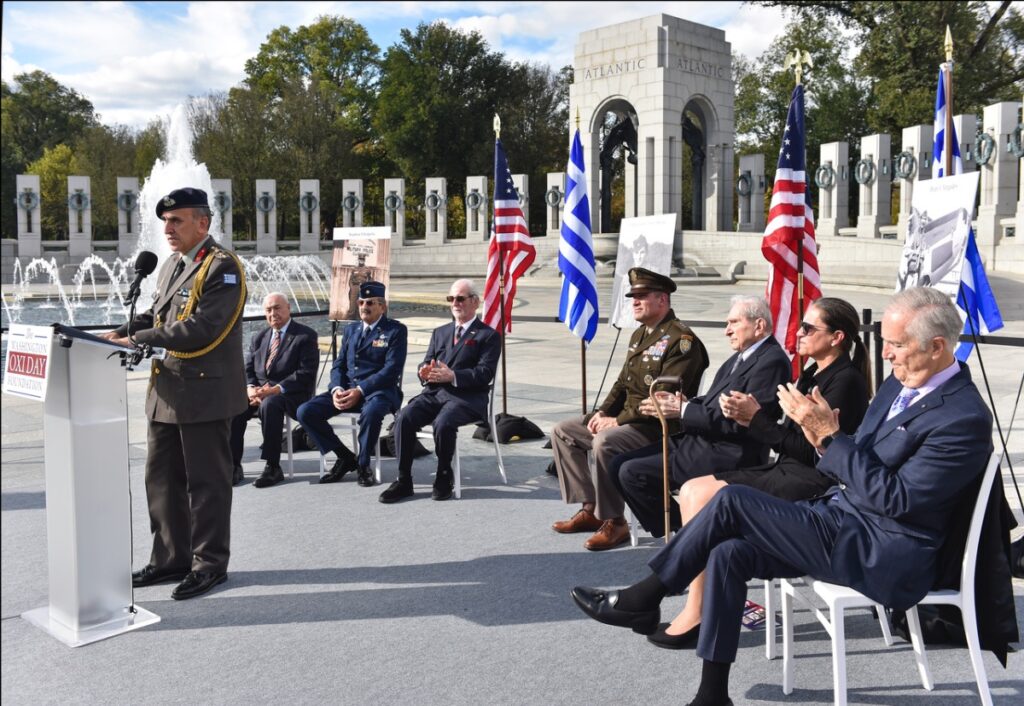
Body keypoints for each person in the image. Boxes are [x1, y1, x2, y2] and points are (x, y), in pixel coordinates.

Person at [571, 287, 993, 706]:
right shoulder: (898, 385)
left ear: (937, 347)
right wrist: (824, 439)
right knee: (729, 552)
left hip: (884, 551)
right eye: (888, 345)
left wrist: (829, 438)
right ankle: (712, 694)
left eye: (897, 345)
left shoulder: (963, 417)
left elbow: (898, 501)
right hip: (843, 519)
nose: (887, 355)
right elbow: (855, 457)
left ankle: (646, 595)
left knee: (733, 499)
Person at [649, 297, 871, 648]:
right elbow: (792, 439)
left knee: (699, 493)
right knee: (692, 490)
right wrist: (751, 417)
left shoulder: (844, 382)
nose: (799, 333)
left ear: (837, 337)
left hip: (812, 483)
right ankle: (696, 603)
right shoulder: (815, 373)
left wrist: (755, 419)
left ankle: (695, 608)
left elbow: (813, 454)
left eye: (809, 328)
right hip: (787, 469)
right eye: (801, 325)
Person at [101, 187, 247, 600]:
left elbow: (204, 328)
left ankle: (209, 564)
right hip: (166, 391)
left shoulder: (222, 268)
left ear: (203, 223)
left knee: (206, 484)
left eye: (177, 220)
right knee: (161, 480)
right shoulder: (170, 265)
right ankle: (170, 559)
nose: (167, 227)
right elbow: (159, 314)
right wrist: (123, 330)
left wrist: (142, 337)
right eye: (165, 221)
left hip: (204, 393)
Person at [550, 267, 708, 551]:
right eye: (633, 296)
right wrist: (602, 412)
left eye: (641, 296)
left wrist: (616, 421)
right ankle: (591, 508)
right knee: (564, 431)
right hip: (630, 421)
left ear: (662, 300)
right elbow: (622, 383)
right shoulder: (639, 336)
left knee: (604, 442)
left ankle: (615, 521)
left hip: (658, 427)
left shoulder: (682, 341)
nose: (634, 301)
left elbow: (662, 398)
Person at [612, 295, 791, 536]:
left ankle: (685, 533)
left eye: (734, 323)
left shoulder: (772, 361)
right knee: (616, 466)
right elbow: (714, 402)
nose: (727, 331)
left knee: (631, 473)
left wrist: (683, 411)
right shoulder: (740, 357)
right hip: (700, 440)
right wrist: (684, 402)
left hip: (726, 452)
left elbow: (741, 423)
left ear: (758, 326)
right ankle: (689, 529)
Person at [379, 279, 500, 503]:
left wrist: (452, 376)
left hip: (467, 398)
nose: (455, 303)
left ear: (475, 302)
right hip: (434, 394)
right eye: (451, 298)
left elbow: (484, 374)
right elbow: (426, 362)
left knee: (443, 423)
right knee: (404, 418)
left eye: (460, 298)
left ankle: (444, 475)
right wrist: (423, 372)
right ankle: (404, 480)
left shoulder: (488, 335)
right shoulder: (440, 332)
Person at [296, 281, 407, 487]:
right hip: (347, 391)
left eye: (371, 303)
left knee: (372, 413)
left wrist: (360, 390)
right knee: (305, 411)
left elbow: (391, 369)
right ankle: (345, 457)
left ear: (382, 306)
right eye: (362, 302)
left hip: (378, 392)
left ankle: (364, 465)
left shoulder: (395, 331)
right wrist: (337, 389)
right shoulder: (351, 330)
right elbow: (338, 365)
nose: (365, 306)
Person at [230, 292, 319, 488]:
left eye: (277, 308)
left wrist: (275, 390)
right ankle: (234, 464)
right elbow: (247, 369)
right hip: (260, 393)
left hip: (291, 395)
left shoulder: (305, 336)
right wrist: (250, 389)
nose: (273, 313)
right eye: (268, 310)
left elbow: (306, 373)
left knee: (270, 405)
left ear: (289, 308)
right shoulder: (259, 337)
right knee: (234, 404)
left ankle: (273, 466)